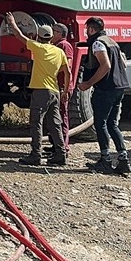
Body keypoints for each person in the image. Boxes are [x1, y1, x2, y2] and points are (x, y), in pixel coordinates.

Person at [5, 13, 69, 166]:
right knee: (54, 124)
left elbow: (19, 35)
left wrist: (12, 22)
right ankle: (60, 154)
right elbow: (68, 72)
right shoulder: (59, 52)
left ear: (39, 37)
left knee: (37, 123)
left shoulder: (38, 48)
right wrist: (65, 91)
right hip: (55, 91)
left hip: (41, 91)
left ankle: (36, 155)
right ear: (51, 36)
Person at [78, 16, 130, 176]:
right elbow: (124, 63)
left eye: (87, 29)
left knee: (101, 124)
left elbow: (105, 65)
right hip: (119, 87)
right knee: (113, 124)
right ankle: (123, 160)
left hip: (106, 89)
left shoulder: (98, 43)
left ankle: (105, 160)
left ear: (92, 29)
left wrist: (89, 83)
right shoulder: (112, 41)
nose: (86, 33)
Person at [46, 22, 74, 159]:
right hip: (57, 86)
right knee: (54, 117)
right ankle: (55, 145)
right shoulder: (56, 46)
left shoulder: (64, 46)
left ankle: (63, 147)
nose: (51, 32)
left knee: (62, 117)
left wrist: (65, 89)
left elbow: (67, 66)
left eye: (54, 30)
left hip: (62, 86)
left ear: (59, 33)